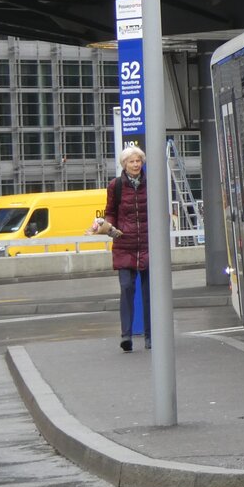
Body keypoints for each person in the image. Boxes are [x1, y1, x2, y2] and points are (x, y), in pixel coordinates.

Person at [91, 145, 151, 353]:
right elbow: (110, 213)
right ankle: (126, 336)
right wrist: (106, 226)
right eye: (131, 161)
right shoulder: (115, 186)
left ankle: (151, 336)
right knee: (126, 288)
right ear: (124, 164)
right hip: (124, 244)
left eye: (138, 161)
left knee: (150, 292)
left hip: (148, 244)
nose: (135, 165)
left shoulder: (151, 183)